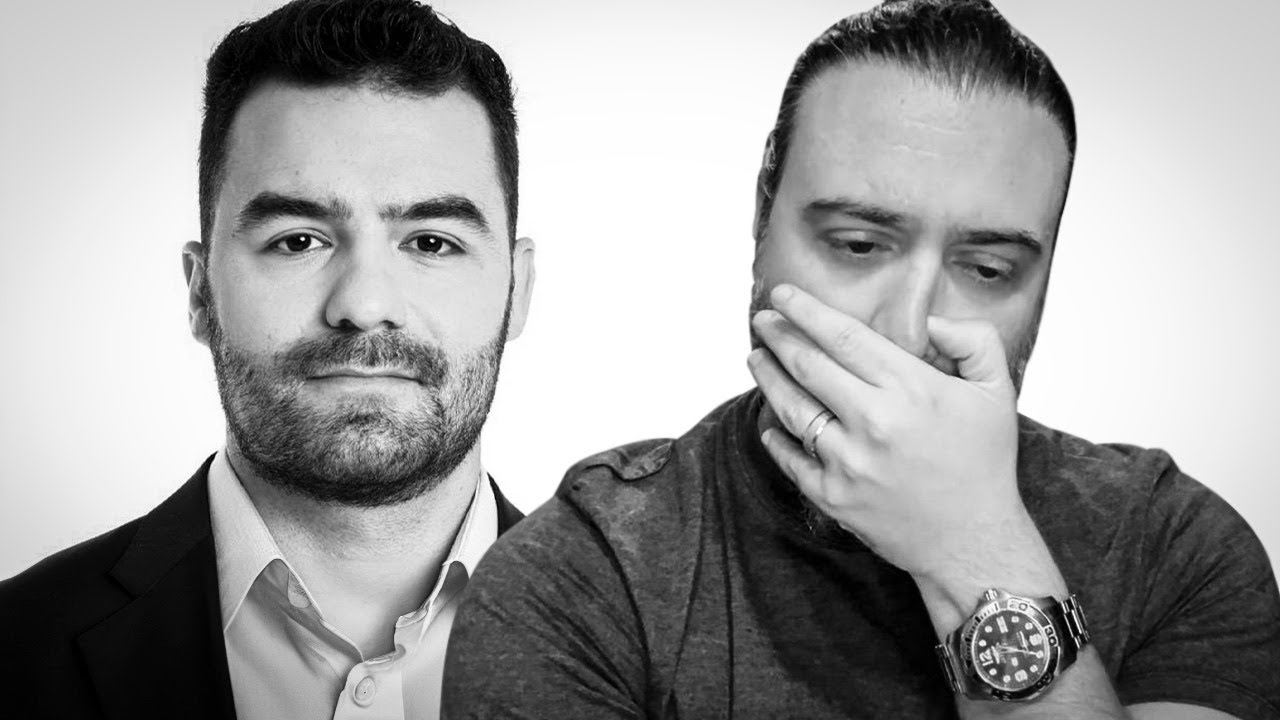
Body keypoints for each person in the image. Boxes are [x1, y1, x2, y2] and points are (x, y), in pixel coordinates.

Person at [442, 1, 1280, 718]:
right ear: (762, 217)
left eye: (989, 269)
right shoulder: (580, 577)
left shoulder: (1173, 549)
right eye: (857, 245)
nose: (906, 332)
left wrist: (974, 550)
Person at [0, 1, 534, 718]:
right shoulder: (13, 650)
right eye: (297, 240)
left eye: (431, 242)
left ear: (517, 289)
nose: (364, 304)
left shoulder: (663, 658)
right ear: (200, 293)